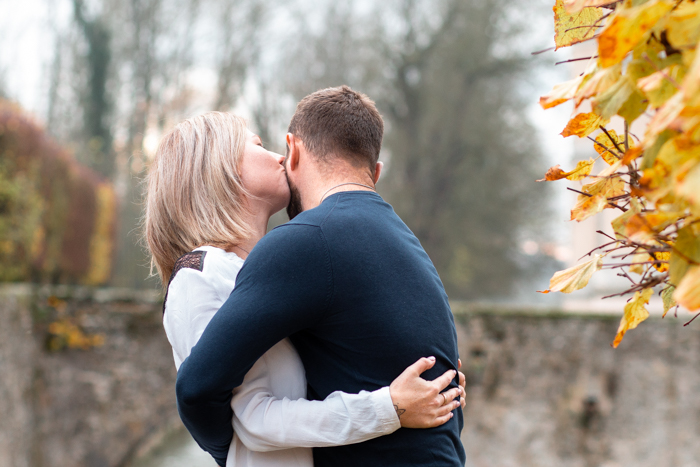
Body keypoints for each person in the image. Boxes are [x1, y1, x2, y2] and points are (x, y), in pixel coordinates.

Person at [143, 111, 466, 467]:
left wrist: (427, 378)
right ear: (219, 167)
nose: (280, 156)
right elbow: (234, 414)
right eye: (259, 146)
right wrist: (389, 406)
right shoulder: (200, 273)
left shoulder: (269, 274)